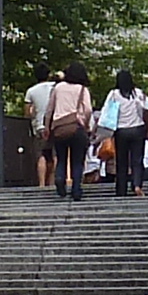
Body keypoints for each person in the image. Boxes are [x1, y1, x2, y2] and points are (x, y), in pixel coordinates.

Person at [38, 65, 93, 199]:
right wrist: (85, 124)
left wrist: (47, 127)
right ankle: (76, 189)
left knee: (61, 158)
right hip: (77, 127)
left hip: (59, 128)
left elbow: (50, 109)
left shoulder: (58, 88)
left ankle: (59, 179)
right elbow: (88, 110)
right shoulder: (82, 90)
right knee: (77, 160)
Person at [103, 72, 148, 197]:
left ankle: (121, 189)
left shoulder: (114, 94)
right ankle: (137, 185)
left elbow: (106, 112)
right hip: (138, 129)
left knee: (122, 161)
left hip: (121, 131)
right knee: (137, 160)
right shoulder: (138, 93)